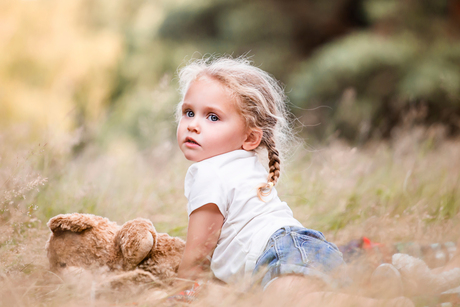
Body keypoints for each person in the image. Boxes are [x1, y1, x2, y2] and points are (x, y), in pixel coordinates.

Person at [173, 55, 413, 306]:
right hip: (310, 246)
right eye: (189, 112)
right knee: (307, 299)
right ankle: (398, 284)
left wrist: (176, 295)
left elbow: (197, 258)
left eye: (212, 117)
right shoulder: (240, 165)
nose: (193, 125)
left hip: (282, 251)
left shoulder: (209, 173)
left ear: (251, 138)